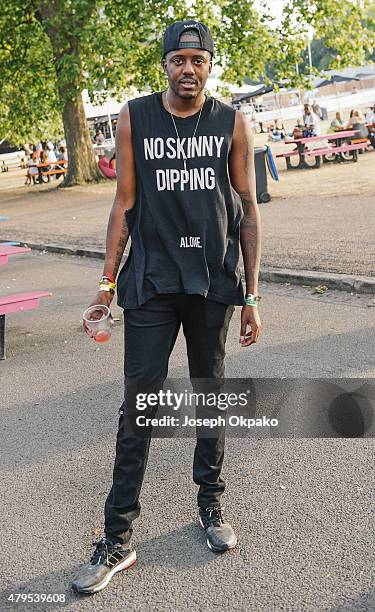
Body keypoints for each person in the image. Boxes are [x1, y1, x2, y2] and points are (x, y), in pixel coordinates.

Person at [72, 19, 261, 595]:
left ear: (209, 65)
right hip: (151, 282)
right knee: (140, 408)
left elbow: (248, 207)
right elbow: (123, 202)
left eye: (198, 60)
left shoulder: (231, 122)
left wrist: (252, 295)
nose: (188, 69)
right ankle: (118, 540)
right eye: (178, 60)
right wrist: (106, 287)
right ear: (165, 66)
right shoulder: (136, 116)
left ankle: (210, 506)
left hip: (213, 285)